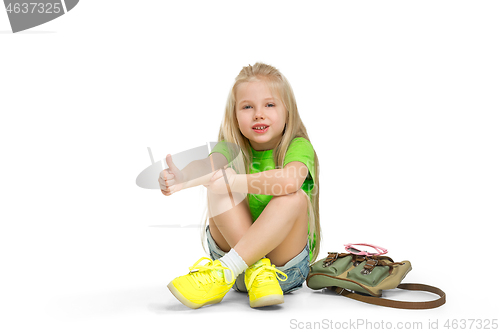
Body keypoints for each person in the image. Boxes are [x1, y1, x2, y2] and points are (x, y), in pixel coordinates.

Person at [159, 62, 321, 309]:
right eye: (247, 107)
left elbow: (290, 180)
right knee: (217, 182)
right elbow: (208, 165)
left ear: (287, 111)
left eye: (269, 104)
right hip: (235, 266)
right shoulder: (230, 149)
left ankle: (227, 269)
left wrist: (235, 181)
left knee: (293, 196)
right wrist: (183, 177)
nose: (258, 114)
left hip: (282, 270)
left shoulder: (297, 147)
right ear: (235, 115)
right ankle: (248, 267)